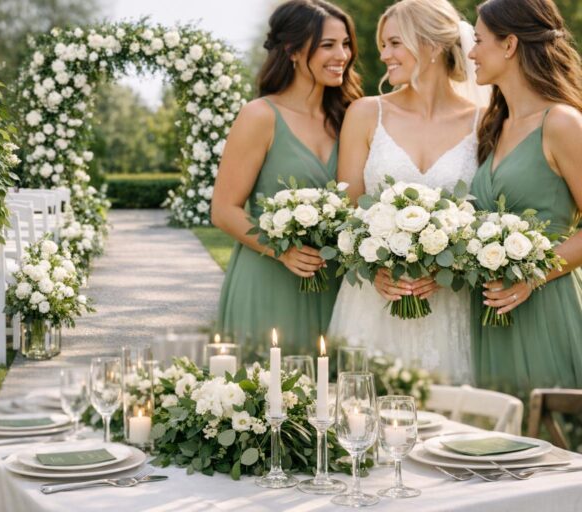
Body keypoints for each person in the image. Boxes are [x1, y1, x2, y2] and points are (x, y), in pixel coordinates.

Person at [328, 0, 488, 384]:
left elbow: (486, 216)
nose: (384, 55)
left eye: (394, 43)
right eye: (383, 44)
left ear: (431, 45)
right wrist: (375, 268)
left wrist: (450, 265)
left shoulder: (485, 121)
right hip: (373, 299)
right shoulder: (366, 113)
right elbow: (346, 211)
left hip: (450, 301)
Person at [211, 0, 362, 356]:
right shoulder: (260, 116)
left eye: (345, 44)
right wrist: (283, 251)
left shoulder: (352, 117)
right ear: (293, 50)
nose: (342, 54)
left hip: (335, 287)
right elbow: (224, 209)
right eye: (328, 45)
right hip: (269, 280)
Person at [468, 0, 582, 393]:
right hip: (490, 313)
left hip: (545, 306)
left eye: (478, 40)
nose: (471, 53)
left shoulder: (562, 123)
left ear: (509, 45)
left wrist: (532, 276)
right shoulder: (493, 126)